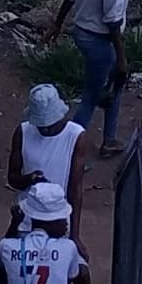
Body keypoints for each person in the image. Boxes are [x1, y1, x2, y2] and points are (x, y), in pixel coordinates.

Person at [68, 0, 133, 151]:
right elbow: (113, 20)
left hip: (81, 33)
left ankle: (109, 139)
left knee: (115, 85)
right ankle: (70, 151)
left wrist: (56, 24)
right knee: (90, 98)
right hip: (101, 42)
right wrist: (122, 58)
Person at [8, 83, 87, 214]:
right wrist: (30, 179)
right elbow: (12, 179)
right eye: (40, 124)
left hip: (59, 218)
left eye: (50, 124)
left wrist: (74, 232)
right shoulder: (22, 132)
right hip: (26, 215)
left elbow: (75, 189)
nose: (45, 128)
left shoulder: (76, 136)